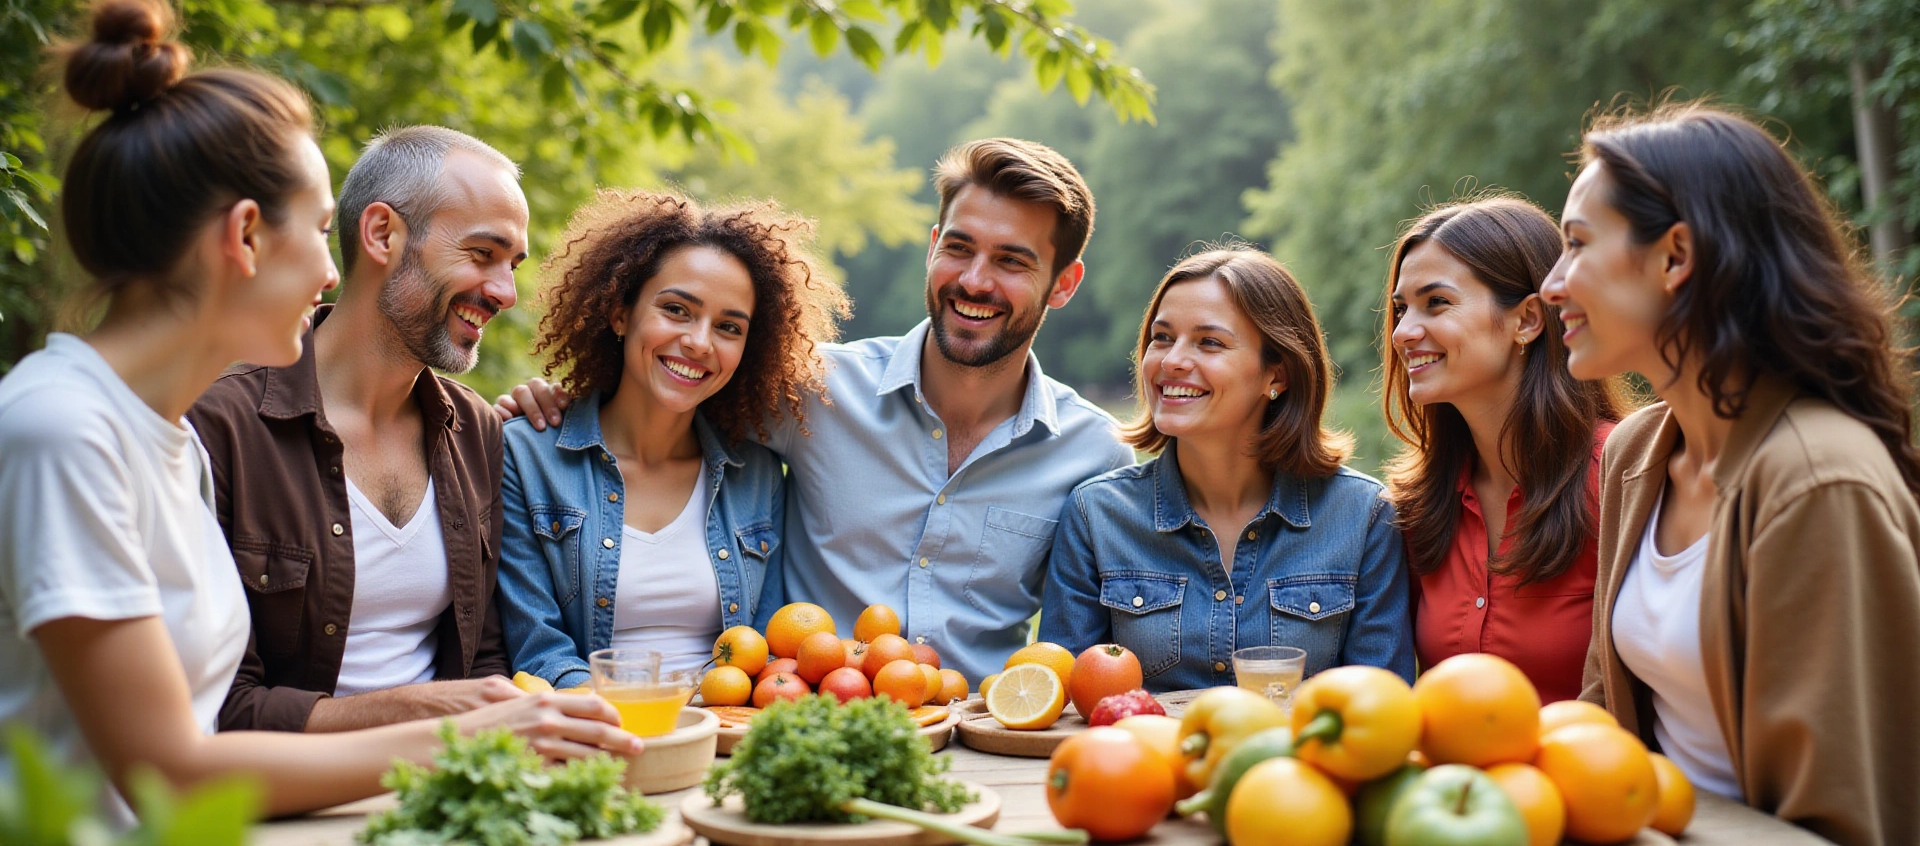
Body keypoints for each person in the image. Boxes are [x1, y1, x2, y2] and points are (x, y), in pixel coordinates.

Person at [0, 0, 635, 823]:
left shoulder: (160, 439)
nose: (331, 274)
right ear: (247, 237)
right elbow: (173, 769)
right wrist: (477, 733)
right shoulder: (61, 430)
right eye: (316, 232)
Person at [500, 139, 1132, 683]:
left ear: (1065, 283)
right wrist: (554, 399)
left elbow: (1082, 640)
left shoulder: (1093, 453)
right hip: (805, 721)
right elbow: (668, 383)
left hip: (980, 740)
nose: (974, 280)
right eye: (960, 248)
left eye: (1012, 261)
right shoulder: (808, 390)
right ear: (934, 246)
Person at [1542, 104, 1920, 846]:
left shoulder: (1818, 482)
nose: (1553, 284)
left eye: (1577, 244)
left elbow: (1845, 823)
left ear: (1675, 256)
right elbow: (1602, 732)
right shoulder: (1634, 454)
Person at [185, 126, 530, 732]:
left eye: (512, 264)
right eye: (483, 254)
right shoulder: (219, 431)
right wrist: (417, 714)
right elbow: (217, 705)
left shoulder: (476, 427)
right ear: (382, 234)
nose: (505, 291)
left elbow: (485, 658)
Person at [497, 192, 844, 688]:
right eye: (677, 310)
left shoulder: (759, 474)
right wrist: (651, 723)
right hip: (593, 734)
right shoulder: (525, 457)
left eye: (728, 326)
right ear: (620, 313)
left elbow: (770, 653)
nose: (700, 342)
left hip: (727, 734)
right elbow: (540, 653)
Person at [1041, 244, 1414, 689]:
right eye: (1162, 337)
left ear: (1277, 375)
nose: (1172, 360)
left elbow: (1381, 707)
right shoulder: (1095, 515)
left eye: (1209, 342)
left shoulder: (1364, 517)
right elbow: (1064, 703)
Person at [1382, 196, 1625, 703]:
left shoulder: (1622, 478)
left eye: (1437, 303)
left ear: (1528, 320)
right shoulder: (1415, 506)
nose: (1403, 333)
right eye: (1402, 308)